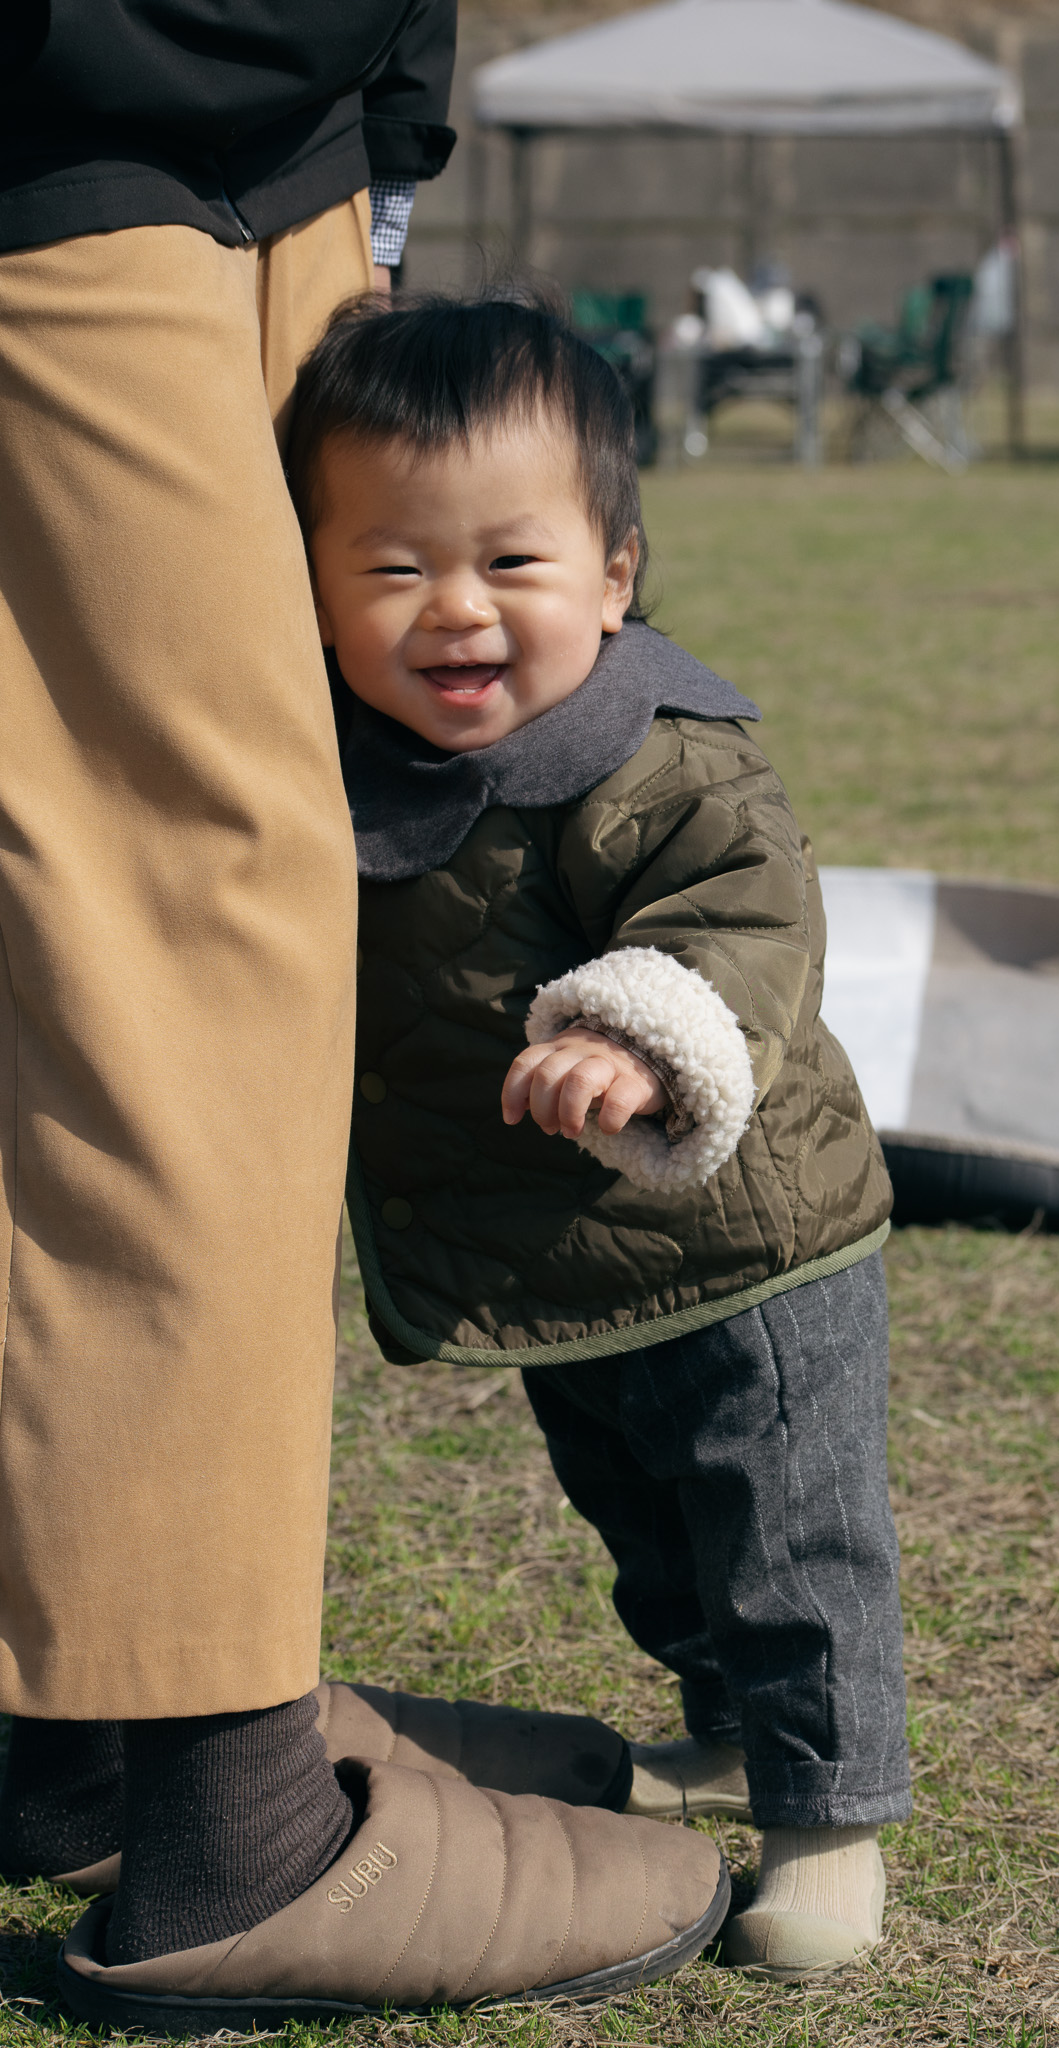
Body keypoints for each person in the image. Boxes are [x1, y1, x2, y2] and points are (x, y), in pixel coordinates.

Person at [1, 5, 726, 2026]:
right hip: (66, 143)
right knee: (176, 927)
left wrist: (378, 138)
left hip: (259, 124)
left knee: (140, 909)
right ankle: (226, 1813)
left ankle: (83, 1723)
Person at [288, 291, 914, 1980]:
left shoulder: (661, 753)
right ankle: (721, 1724)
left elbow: (746, 925)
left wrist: (635, 1030)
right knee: (643, 1520)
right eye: (393, 567)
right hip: (559, 1252)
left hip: (747, 1233)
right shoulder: (327, 769)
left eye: (512, 561)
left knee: (784, 1526)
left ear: (617, 573)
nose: (454, 612)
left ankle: (825, 1814)